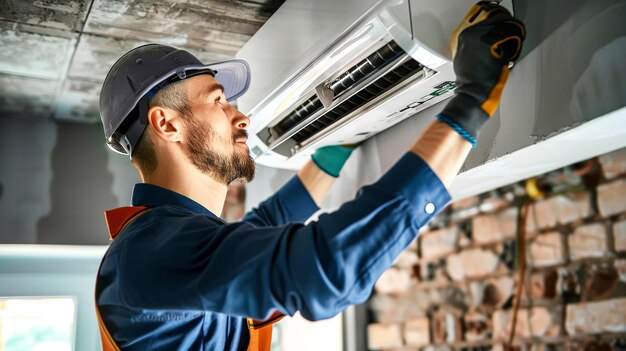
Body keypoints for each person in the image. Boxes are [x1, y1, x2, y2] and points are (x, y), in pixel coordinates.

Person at [96, 2, 525, 350]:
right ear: (167, 124)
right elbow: (328, 268)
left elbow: (267, 224)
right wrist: (473, 99)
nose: (241, 116)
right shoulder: (151, 252)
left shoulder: (163, 243)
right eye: (219, 100)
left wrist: (338, 148)